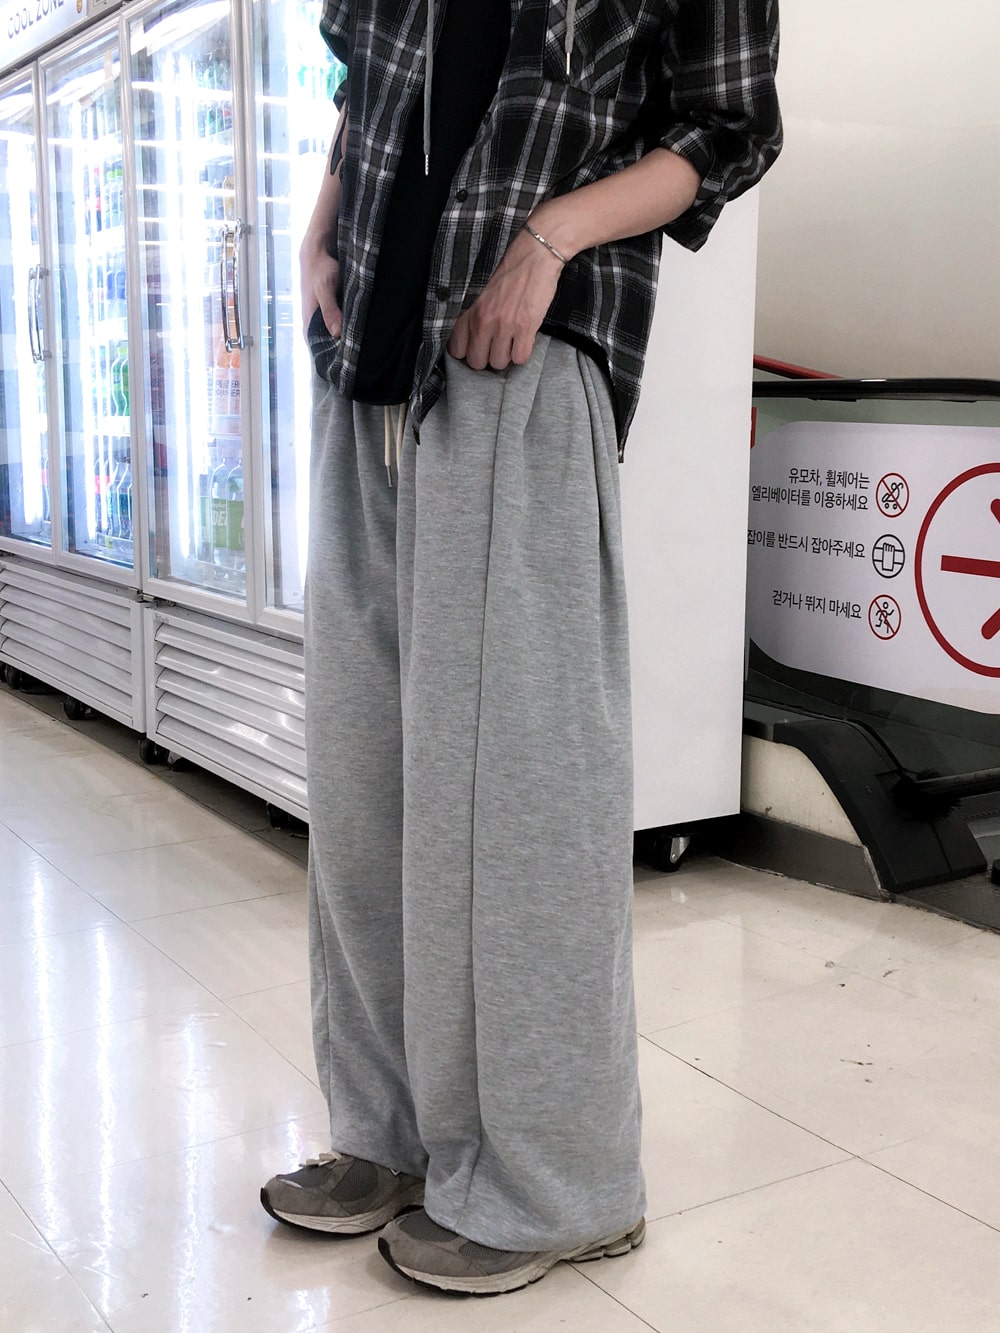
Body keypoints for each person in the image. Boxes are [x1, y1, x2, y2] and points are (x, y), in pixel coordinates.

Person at [261, 0, 782, 1297]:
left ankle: (563, 1182)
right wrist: (320, 228)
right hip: (365, 363)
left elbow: (726, 128)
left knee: (524, 795)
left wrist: (552, 236)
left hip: (522, 356)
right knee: (367, 783)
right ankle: (390, 1136)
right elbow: (366, 78)